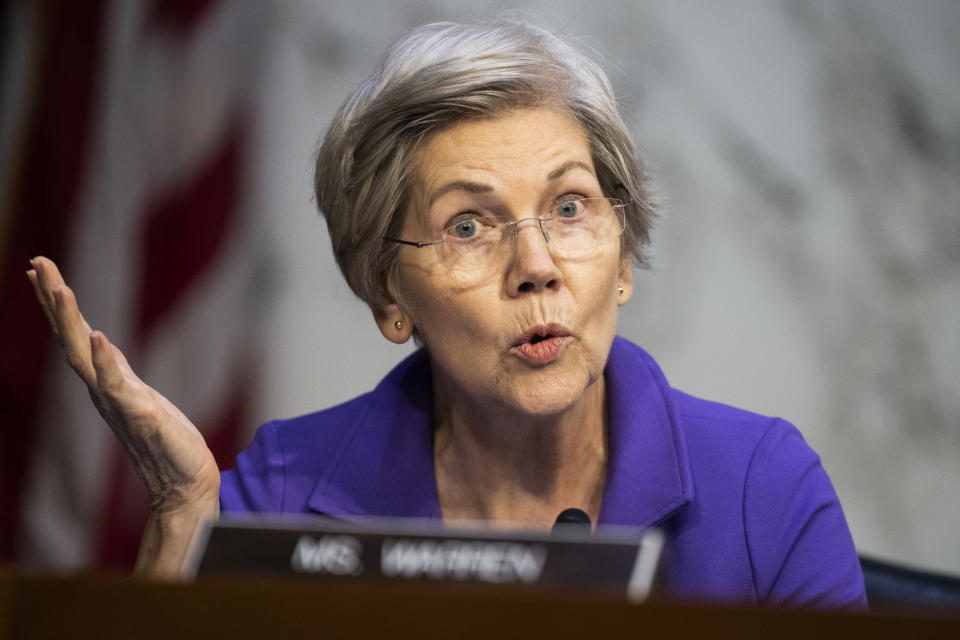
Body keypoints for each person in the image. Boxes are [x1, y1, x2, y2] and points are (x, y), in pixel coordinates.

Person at [27, 19, 867, 608]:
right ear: (390, 297)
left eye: (570, 208)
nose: (536, 267)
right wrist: (180, 509)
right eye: (468, 225)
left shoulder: (762, 488)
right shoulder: (288, 487)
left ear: (623, 256)